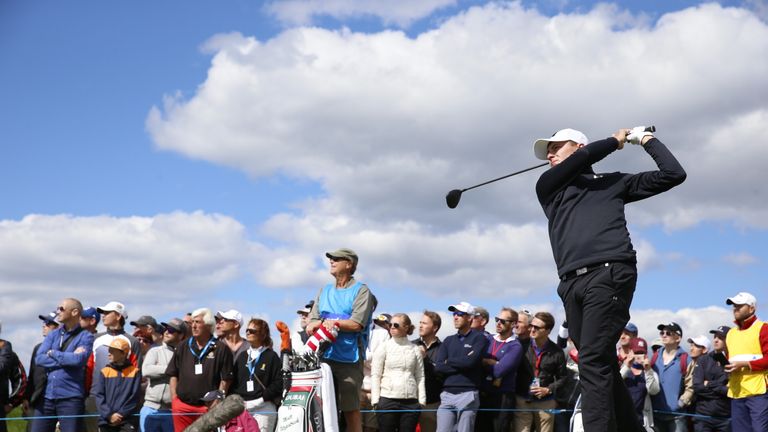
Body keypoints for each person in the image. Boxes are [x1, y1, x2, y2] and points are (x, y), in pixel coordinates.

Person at [533, 126, 685, 432]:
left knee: (590, 359)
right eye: (548, 150)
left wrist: (645, 140)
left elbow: (673, 173)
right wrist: (615, 141)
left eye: (555, 147)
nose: (549, 154)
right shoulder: (548, 186)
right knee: (597, 360)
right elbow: (584, 158)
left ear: (577, 147)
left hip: (609, 272)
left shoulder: (612, 182)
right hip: (570, 284)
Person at [306, 248, 378, 432]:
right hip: (322, 358)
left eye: (337, 259)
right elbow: (312, 320)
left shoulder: (362, 291)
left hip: (349, 359)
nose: (331, 261)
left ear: (349, 264)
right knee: (319, 408)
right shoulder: (324, 290)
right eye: (331, 258)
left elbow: (357, 324)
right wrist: (314, 324)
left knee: (350, 410)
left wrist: (332, 323)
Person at [31, 297, 95, 432]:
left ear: (74, 312)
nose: (57, 311)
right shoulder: (53, 335)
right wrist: (68, 358)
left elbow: (78, 360)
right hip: (47, 397)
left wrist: (53, 353)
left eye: (61, 308)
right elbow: (40, 359)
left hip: (70, 398)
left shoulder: (86, 336)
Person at [166, 307, 233, 432]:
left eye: (198, 322)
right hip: (182, 407)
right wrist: (175, 400)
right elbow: (173, 373)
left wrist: (217, 402)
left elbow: (226, 379)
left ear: (208, 325)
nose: (193, 326)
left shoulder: (221, 348)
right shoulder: (183, 346)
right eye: (192, 322)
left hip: (207, 408)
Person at [434, 301, 488, 432]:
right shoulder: (448, 340)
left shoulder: (479, 338)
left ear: (470, 318)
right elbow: (439, 366)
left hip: (468, 394)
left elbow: (470, 363)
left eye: (459, 314)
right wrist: (464, 361)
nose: (455, 317)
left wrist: (449, 361)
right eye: (454, 314)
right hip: (447, 394)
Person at [88, 302, 141, 432]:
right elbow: (89, 368)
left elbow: (136, 370)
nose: (103, 316)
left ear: (118, 316)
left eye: (107, 313)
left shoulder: (132, 341)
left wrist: (123, 410)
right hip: (96, 397)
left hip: (124, 403)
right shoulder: (95, 338)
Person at [514, 311, 567, 432]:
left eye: (537, 327)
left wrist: (548, 389)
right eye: (531, 325)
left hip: (546, 402)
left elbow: (563, 378)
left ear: (548, 331)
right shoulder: (520, 346)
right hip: (522, 398)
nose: (532, 329)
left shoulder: (557, 352)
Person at [371, 313, 425, 432]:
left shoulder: (415, 349)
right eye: (390, 325)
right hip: (387, 400)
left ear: (406, 327)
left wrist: (421, 400)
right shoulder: (383, 347)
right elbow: (375, 375)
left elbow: (420, 375)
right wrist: (375, 400)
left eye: (396, 325)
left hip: (411, 402)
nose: (392, 327)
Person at [723, 292, 768, 431]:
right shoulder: (730, 333)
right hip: (736, 392)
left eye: (740, 306)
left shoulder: (764, 328)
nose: (735, 308)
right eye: (734, 306)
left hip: (758, 392)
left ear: (752, 308)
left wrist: (745, 364)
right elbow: (730, 358)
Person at [231, 318, 283, 432]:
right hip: (243, 408)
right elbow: (234, 383)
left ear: (263, 334)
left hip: (263, 408)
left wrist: (260, 400)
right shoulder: (242, 357)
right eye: (247, 330)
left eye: (252, 331)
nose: (248, 333)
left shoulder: (271, 356)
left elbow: (278, 383)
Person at [476, 308, 523, 432]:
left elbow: (499, 371)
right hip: (482, 394)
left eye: (503, 321)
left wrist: (485, 362)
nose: (498, 323)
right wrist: (491, 362)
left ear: (513, 324)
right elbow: (477, 360)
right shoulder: (488, 339)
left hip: (502, 396)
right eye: (497, 320)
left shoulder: (515, 346)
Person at [140, 318, 187, 432]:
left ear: (181, 336)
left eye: (171, 330)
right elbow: (146, 370)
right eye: (166, 329)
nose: (166, 332)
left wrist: (160, 370)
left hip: (171, 411)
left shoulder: (185, 355)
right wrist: (172, 370)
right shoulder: (155, 351)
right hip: (150, 407)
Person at [92, 338, 141, 432]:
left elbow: (134, 397)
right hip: (106, 421)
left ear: (124, 353)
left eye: (112, 351)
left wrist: (120, 415)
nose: (109, 353)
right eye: (109, 351)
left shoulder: (135, 372)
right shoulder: (105, 371)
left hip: (127, 420)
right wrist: (109, 415)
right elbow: (99, 395)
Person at [651, 322, 689, 432]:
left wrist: (681, 402)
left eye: (668, 333)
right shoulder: (654, 357)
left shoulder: (686, 359)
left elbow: (691, 384)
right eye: (662, 332)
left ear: (678, 338)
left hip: (677, 415)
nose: (664, 335)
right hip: (656, 413)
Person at [692, 326, 731, 432]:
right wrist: (721, 388)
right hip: (703, 417)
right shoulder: (703, 359)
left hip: (726, 418)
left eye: (721, 337)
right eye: (715, 336)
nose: (716, 340)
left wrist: (709, 384)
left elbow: (731, 391)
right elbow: (697, 387)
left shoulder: (734, 361)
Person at [24, 312, 59, 421]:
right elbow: (32, 376)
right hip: (38, 400)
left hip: (58, 401)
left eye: (48, 323)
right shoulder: (38, 348)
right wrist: (26, 397)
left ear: (59, 327)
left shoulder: (66, 348)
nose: (44, 325)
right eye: (44, 323)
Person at [619, 338, 659, 432]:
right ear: (630, 352)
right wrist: (627, 366)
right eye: (636, 352)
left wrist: (648, 370)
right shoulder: (623, 369)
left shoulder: (650, 372)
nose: (638, 356)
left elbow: (653, 391)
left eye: (641, 352)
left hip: (642, 422)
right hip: (622, 419)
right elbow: (614, 385)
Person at [412, 311, 442, 432]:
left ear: (435, 327)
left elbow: (440, 374)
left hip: (432, 402)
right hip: (410, 402)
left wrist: (425, 359)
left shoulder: (443, 348)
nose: (420, 326)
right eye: (420, 322)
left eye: (424, 323)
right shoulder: (410, 345)